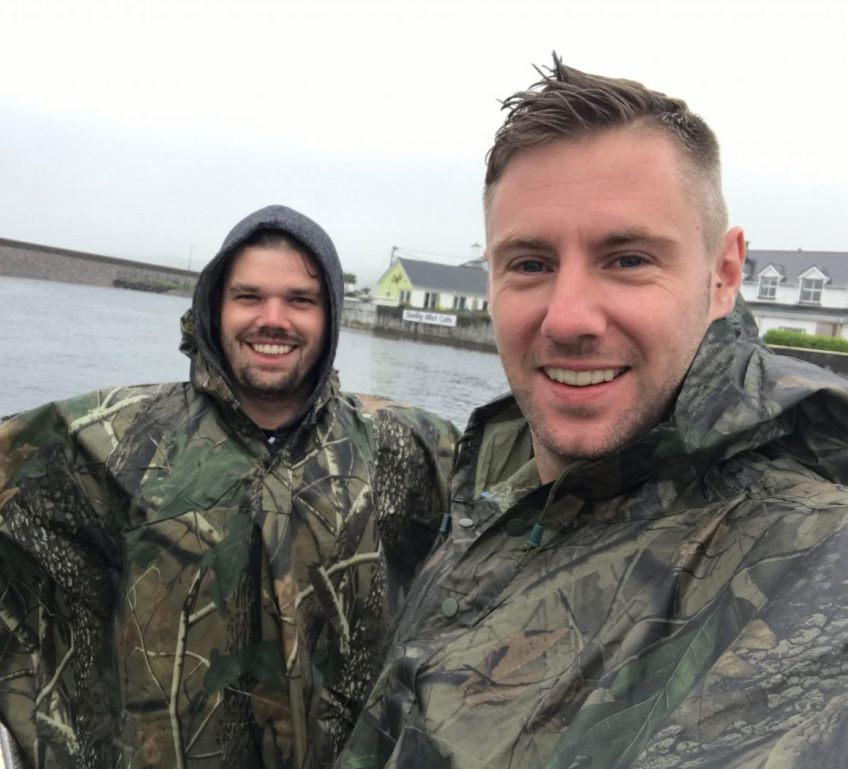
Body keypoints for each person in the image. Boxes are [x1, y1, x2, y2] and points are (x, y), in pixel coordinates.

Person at [337, 57, 848, 769]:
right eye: (530, 263)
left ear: (724, 274)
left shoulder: (808, 550)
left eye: (629, 258)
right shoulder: (498, 485)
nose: (568, 317)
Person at [0, 204, 459, 769]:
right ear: (215, 307)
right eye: (249, 297)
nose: (273, 319)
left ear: (331, 316)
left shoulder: (400, 446)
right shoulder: (125, 435)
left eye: (300, 299)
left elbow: (522, 509)